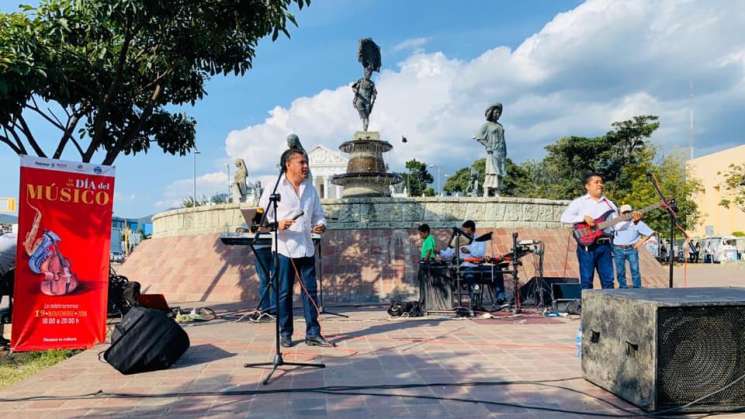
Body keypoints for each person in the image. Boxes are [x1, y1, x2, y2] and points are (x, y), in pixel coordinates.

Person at [259, 148, 330, 348]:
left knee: (310, 292)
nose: (306, 166)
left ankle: (313, 334)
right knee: (284, 293)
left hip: (306, 247)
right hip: (284, 249)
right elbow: (258, 220)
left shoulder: (310, 188)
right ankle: (285, 333)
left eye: (306, 162)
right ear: (288, 165)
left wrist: (321, 225)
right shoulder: (273, 187)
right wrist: (277, 224)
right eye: (301, 162)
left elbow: (318, 215)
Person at [560, 173, 641, 289]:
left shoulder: (609, 204)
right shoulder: (579, 202)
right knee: (587, 280)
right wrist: (583, 218)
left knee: (608, 281)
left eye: (601, 182)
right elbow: (564, 218)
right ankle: (587, 306)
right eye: (596, 182)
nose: (600, 184)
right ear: (587, 186)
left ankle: (608, 306)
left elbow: (616, 227)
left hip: (605, 246)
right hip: (587, 247)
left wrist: (634, 221)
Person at [613, 204, 654, 288]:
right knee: (620, 271)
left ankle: (637, 288)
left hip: (631, 249)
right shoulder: (615, 222)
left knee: (635, 270)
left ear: (631, 212)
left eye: (628, 212)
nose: (626, 214)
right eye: (624, 213)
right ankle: (622, 287)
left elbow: (650, 233)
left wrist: (640, 242)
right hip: (618, 249)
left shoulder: (637, 222)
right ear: (620, 214)